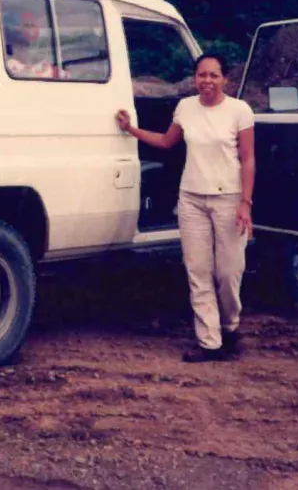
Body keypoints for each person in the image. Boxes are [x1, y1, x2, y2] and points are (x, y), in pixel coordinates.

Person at [115, 53, 255, 362]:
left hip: (229, 199)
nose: (207, 81)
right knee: (198, 272)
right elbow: (167, 142)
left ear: (225, 79)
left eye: (213, 75)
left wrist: (245, 202)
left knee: (229, 272)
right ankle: (209, 343)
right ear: (195, 78)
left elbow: (248, 159)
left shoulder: (239, 111)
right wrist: (131, 130)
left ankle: (230, 326)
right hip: (192, 199)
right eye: (201, 75)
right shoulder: (185, 108)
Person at [6, 12, 58, 79]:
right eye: (20, 47)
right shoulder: (10, 64)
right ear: (12, 48)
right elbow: (27, 75)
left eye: (26, 47)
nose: (25, 51)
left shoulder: (25, 64)